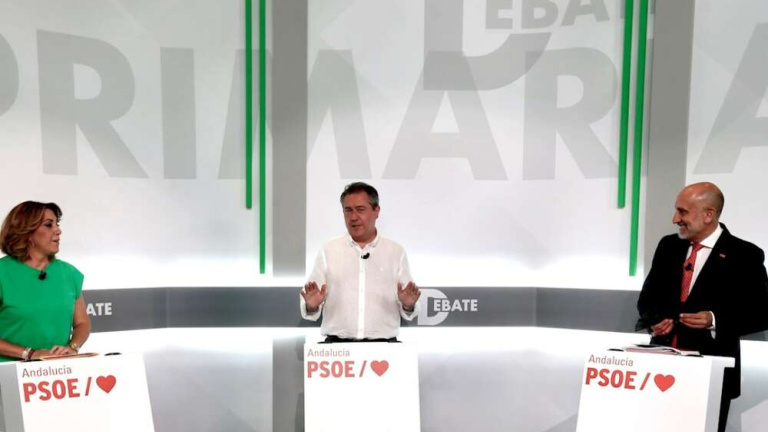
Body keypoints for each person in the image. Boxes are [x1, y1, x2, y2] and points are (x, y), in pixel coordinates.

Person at [637, 182, 768, 432]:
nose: (675, 219)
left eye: (682, 212)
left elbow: (761, 312)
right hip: (658, 369)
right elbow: (647, 298)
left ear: (709, 214)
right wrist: (654, 320)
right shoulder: (668, 246)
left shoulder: (745, 254)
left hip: (711, 373)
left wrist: (714, 319)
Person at [300, 182, 421, 342]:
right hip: (337, 349)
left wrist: (408, 305)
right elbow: (310, 303)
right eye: (348, 210)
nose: (353, 217)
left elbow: (409, 305)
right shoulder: (328, 251)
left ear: (376, 211)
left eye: (360, 209)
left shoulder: (395, 252)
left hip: (385, 348)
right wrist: (311, 305)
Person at [0, 201, 91, 361]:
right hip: (8, 372)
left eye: (57, 224)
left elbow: (82, 323)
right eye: (49, 225)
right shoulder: (3, 272)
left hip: (58, 371)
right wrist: (30, 353)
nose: (58, 230)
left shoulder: (69, 273)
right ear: (26, 231)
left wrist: (72, 347)